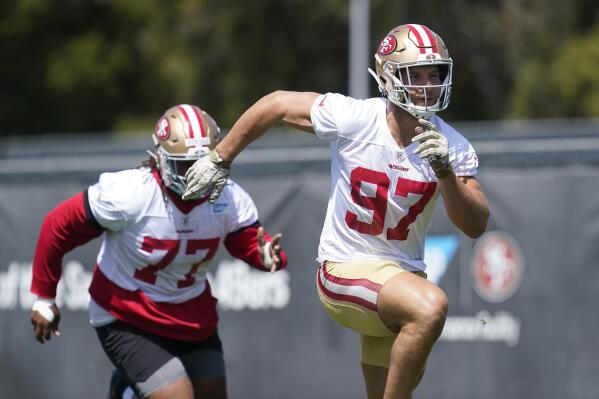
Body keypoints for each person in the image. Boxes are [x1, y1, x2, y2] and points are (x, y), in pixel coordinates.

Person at [182, 24, 490, 399]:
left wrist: (445, 173)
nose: (428, 85)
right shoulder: (356, 118)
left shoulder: (452, 146)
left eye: (434, 74)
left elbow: (475, 225)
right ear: (390, 78)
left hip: (400, 280)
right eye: (415, 75)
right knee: (430, 307)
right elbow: (276, 104)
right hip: (345, 270)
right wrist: (220, 157)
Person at [29, 104, 287, 399]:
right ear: (161, 158)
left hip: (191, 314)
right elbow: (58, 225)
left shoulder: (227, 197)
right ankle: (127, 389)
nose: (195, 176)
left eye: (203, 165)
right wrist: (44, 296)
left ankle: (128, 390)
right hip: (128, 314)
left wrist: (264, 255)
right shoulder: (131, 193)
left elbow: (247, 242)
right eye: (185, 166)